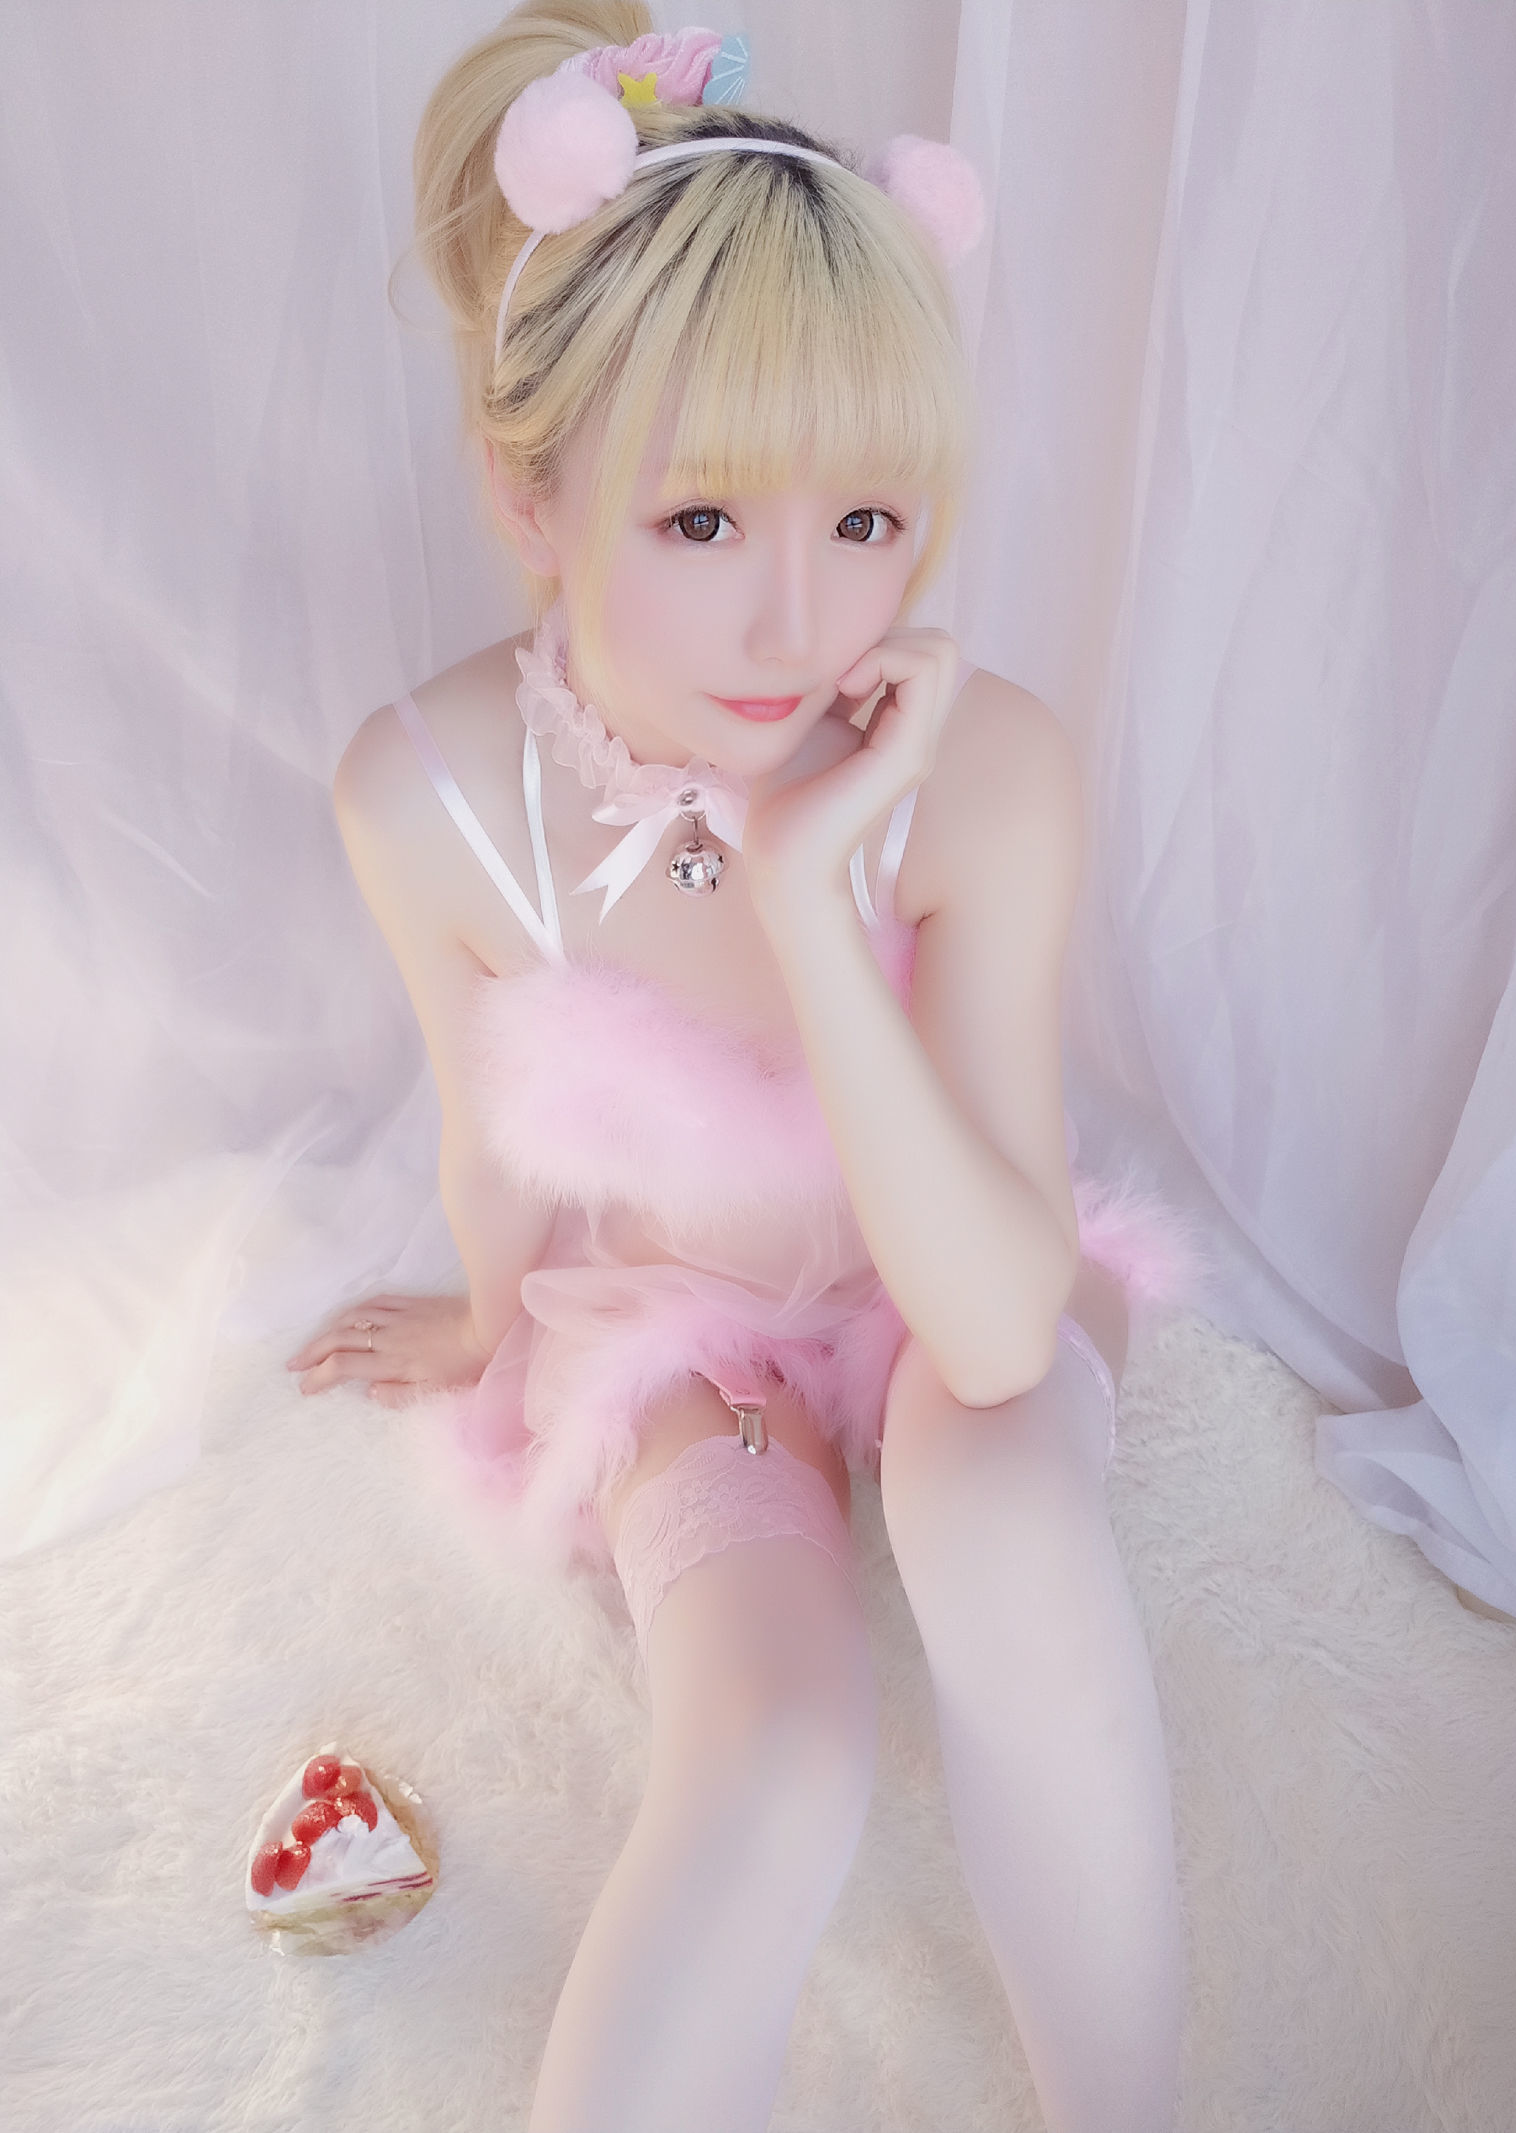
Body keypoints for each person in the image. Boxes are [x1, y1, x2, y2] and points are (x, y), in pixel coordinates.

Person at [287, 6, 1188, 2126]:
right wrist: (490, 1321)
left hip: (951, 1271)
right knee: (767, 1748)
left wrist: (806, 897)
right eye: (703, 522)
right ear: (529, 493)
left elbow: (994, 1317)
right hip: (689, 1327)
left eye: (869, 518)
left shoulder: (982, 771)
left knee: (998, 1512)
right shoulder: (429, 796)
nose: (802, 620)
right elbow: (488, 1127)